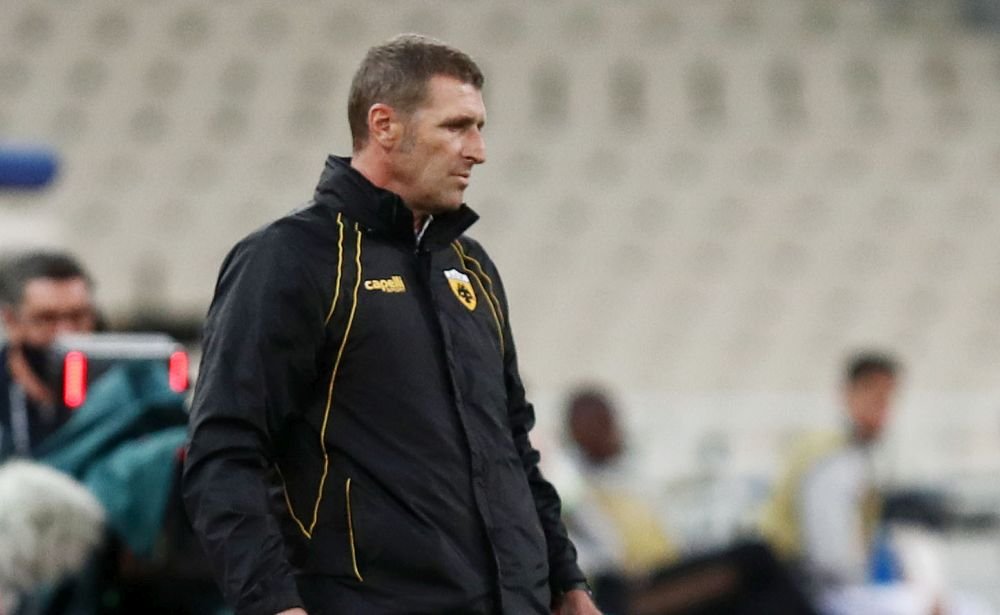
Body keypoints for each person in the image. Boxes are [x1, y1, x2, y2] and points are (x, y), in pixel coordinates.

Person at [183, 34, 599, 615]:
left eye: (479, 128)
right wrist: (272, 603)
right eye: (457, 127)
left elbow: (512, 445)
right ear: (384, 125)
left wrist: (566, 581)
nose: (478, 151)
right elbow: (224, 453)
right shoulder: (289, 260)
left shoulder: (471, 267)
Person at [0, 251, 97, 460]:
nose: (65, 332)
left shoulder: (120, 390)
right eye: (47, 318)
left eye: (77, 317)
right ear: (11, 321)